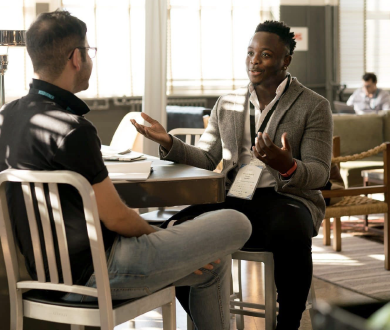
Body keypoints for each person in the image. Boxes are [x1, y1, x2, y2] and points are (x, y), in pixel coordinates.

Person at [0, 10, 252, 330]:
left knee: (213, 264)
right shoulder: (74, 129)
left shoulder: (7, 116)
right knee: (235, 221)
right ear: (76, 57)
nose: (90, 58)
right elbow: (116, 217)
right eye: (89, 51)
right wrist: (160, 237)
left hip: (42, 276)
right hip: (100, 273)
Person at [132, 20, 333, 330]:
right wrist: (169, 143)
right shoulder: (226, 104)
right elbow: (207, 158)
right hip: (235, 197)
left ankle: (288, 323)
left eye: (265, 54)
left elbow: (319, 173)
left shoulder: (313, 105)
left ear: (286, 60)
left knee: (290, 228)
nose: (254, 60)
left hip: (287, 198)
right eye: (250, 52)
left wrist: (286, 165)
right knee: (180, 228)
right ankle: (206, 321)